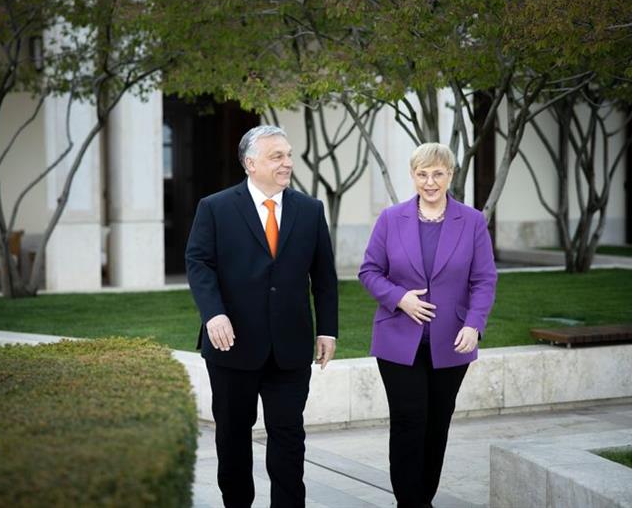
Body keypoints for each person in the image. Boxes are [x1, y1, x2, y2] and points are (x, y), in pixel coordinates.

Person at [186, 125, 338, 508]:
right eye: (277, 157)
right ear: (250, 163)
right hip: (232, 344)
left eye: (288, 155)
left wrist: (328, 330)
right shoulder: (215, 208)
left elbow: (324, 277)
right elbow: (199, 263)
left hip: (291, 348)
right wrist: (213, 314)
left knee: (289, 437)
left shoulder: (310, 210)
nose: (287, 163)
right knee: (233, 437)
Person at [359, 143, 497, 508]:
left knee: (437, 424)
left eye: (437, 174)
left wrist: (474, 324)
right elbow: (369, 271)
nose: (430, 182)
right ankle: (410, 502)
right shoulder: (391, 219)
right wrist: (399, 298)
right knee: (408, 421)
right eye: (422, 174)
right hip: (397, 340)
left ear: (450, 174)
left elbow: (484, 279)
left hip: (452, 341)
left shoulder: (472, 221)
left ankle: (424, 498)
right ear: (412, 176)